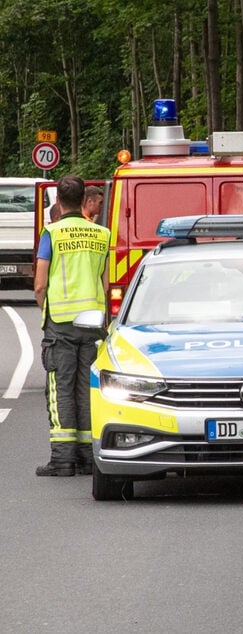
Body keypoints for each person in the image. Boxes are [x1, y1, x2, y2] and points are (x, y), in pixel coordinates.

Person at [34, 175, 110, 477]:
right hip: (92, 323)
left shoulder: (51, 233)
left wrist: (47, 313)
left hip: (61, 324)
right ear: (83, 201)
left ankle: (63, 459)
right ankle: (88, 457)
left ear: (58, 202)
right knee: (87, 389)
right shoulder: (101, 234)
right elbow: (105, 285)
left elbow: (40, 285)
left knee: (60, 388)